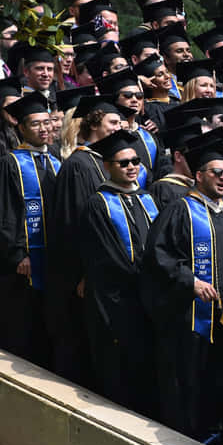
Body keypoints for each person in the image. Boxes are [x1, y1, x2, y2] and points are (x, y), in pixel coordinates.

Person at [140, 136, 223, 442]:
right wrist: (191, 281)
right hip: (188, 319)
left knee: (216, 385)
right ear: (199, 175)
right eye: (216, 172)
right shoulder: (180, 209)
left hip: (222, 320)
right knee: (187, 383)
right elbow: (157, 255)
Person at [77, 130, 159, 416]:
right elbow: (109, 256)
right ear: (107, 166)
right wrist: (146, 279)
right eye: (123, 163)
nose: (131, 167)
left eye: (135, 160)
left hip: (148, 297)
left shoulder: (147, 198)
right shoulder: (98, 204)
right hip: (117, 300)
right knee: (121, 364)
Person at [47, 95, 126, 385]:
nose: (120, 127)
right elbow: (75, 225)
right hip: (84, 274)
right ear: (95, 123)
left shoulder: (103, 162)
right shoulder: (80, 165)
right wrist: (82, 273)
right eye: (113, 122)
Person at [0, 93, 60, 365]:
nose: (44, 129)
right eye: (35, 124)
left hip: (53, 258)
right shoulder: (10, 163)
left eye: (47, 123)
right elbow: (3, 212)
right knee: (24, 325)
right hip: (24, 263)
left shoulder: (57, 161)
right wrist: (18, 253)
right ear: (20, 128)